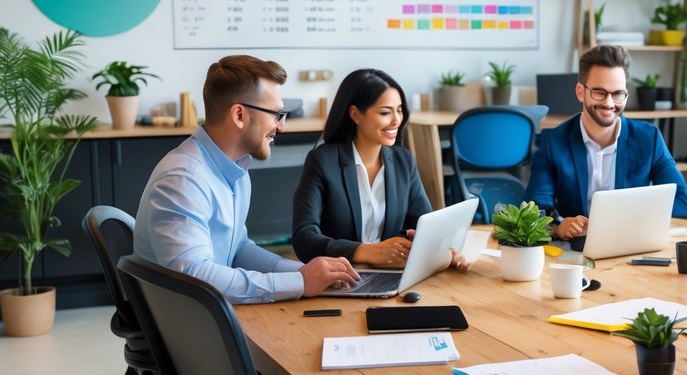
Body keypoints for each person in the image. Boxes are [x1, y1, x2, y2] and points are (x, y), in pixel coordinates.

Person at [134, 55, 361, 303]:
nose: (281, 127)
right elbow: (195, 276)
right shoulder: (183, 178)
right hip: (188, 324)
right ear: (239, 115)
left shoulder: (236, 170)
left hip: (211, 312)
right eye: (276, 114)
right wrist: (300, 283)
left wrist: (303, 272)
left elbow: (238, 249)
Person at [291, 68, 466, 271]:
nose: (396, 120)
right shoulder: (322, 161)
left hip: (393, 274)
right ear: (355, 114)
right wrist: (365, 251)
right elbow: (304, 238)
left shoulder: (404, 161)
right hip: (344, 276)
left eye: (399, 110)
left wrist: (443, 247)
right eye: (385, 112)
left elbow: (423, 225)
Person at [524, 44, 687, 241]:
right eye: (600, 92)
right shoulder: (554, 142)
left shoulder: (649, 138)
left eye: (618, 94)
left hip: (629, 244)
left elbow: (680, 203)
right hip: (577, 250)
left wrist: (630, 218)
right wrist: (559, 227)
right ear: (580, 91)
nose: (610, 103)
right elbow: (534, 209)